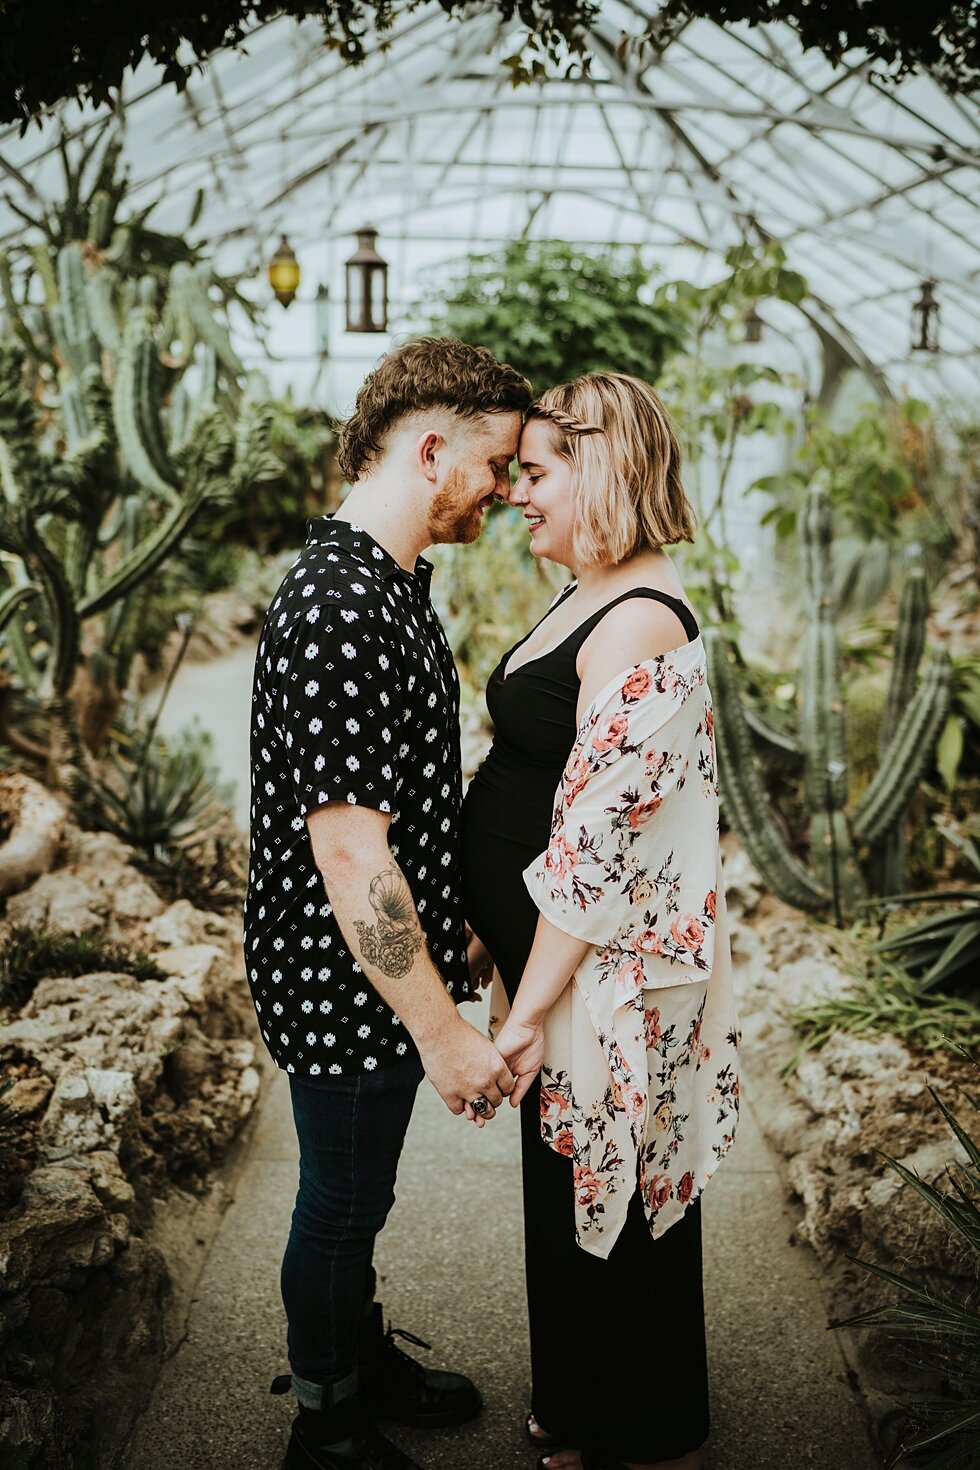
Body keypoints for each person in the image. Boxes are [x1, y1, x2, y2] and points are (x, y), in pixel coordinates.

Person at [243, 336, 533, 1470]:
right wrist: (446, 1031)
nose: (506, 492)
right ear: (427, 449)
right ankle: (325, 1418)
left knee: (356, 1192)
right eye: (497, 466)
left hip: (370, 971)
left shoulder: (389, 583)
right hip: (342, 980)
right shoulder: (341, 608)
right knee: (340, 1204)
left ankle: (354, 1358)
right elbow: (353, 858)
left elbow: (401, 796)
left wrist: (455, 907)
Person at [461, 372, 740, 1470]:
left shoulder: (634, 621)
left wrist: (524, 1011)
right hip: (551, 958)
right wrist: (489, 932)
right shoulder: (589, 589)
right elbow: (532, 773)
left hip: (596, 975)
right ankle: (584, 1400)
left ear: (603, 468)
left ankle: (641, 1427)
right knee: (570, 1179)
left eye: (535, 472)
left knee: (609, 1185)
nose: (515, 495)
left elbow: (595, 848)